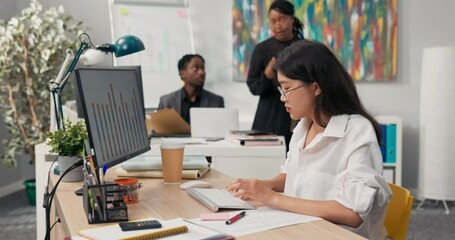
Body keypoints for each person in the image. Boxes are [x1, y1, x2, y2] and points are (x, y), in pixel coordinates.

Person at [228, 40, 392, 239]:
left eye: (287, 89)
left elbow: (352, 213)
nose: (282, 98)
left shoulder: (356, 130)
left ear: (315, 88)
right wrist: (261, 186)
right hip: (301, 229)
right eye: (281, 89)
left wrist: (272, 198)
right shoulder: (304, 126)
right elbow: (292, 173)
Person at [247, 0, 304, 149]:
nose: (278, 25)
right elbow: (253, 87)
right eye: (273, 21)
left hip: (298, 114)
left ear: (292, 19)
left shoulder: (304, 48)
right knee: (263, 159)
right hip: (268, 115)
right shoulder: (262, 49)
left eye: (282, 19)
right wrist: (266, 75)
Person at [158, 54, 224, 123]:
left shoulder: (217, 101)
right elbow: (158, 131)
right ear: (182, 73)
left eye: (203, 68)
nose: (201, 72)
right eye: (195, 68)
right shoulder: (166, 102)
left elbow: (223, 130)